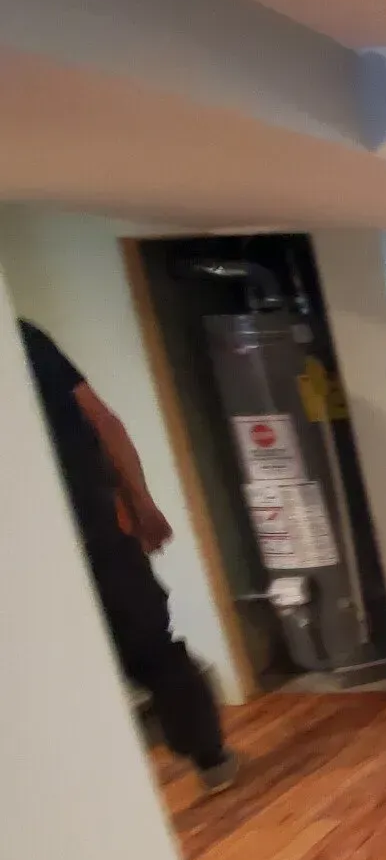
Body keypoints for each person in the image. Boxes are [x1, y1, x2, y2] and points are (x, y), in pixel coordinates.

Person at [19, 320, 238, 790]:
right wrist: (140, 502)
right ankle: (209, 756)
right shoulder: (22, 336)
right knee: (151, 649)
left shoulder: (22, 338)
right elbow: (104, 420)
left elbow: (103, 422)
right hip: (90, 532)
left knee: (64, 670)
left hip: (38, 551)